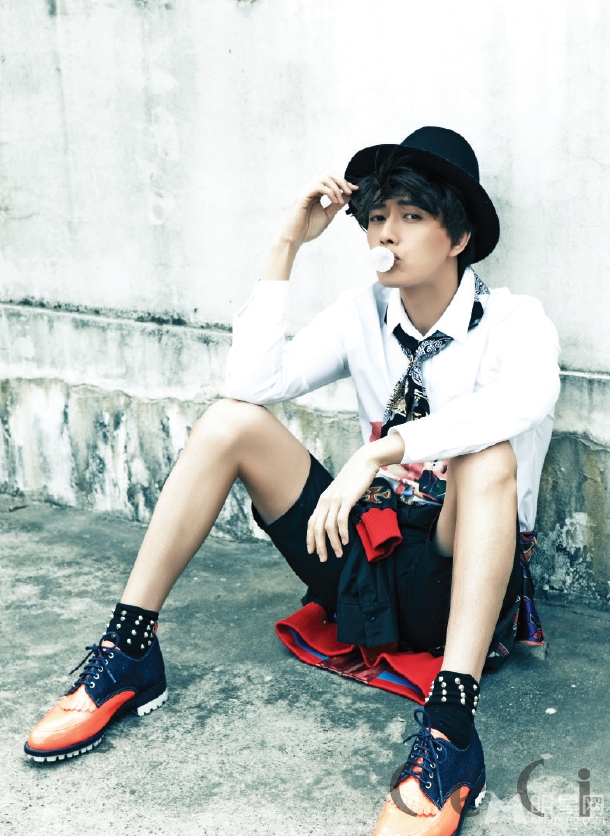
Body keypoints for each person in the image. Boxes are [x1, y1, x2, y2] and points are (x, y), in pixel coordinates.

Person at [25, 127, 560, 836]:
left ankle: (451, 733)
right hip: (366, 565)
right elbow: (251, 384)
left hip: (453, 575)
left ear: (458, 236)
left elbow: (525, 401)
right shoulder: (361, 313)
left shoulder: (516, 321)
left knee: (487, 457)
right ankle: (129, 650)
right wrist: (287, 244)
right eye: (376, 217)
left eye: (410, 216)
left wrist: (380, 452)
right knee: (230, 421)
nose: (386, 234)